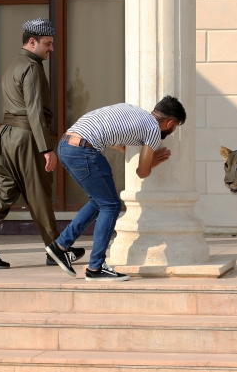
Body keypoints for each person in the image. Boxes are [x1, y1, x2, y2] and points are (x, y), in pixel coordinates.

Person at [0, 17, 84, 269]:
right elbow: (34, 111)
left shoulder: (13, 64)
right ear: (31, 42)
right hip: (26, 137)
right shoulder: (32, 67)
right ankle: (55, 249)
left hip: (6, 136)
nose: (51, 49)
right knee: (39, 194)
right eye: (47, 43)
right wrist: (46, 148)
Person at [46, 95, 186, 281]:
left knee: (99, 201)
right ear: (170, 122)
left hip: (65, 145)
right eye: (176, 126)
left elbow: (107, 127)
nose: (173, 130)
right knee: (110, 205)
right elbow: (142, 173)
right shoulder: (152, 128)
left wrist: (122, 147)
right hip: (84, 151)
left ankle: (60, 246)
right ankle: (95, 268)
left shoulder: (135, 111)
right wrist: (152, 163)